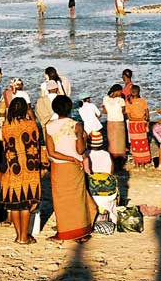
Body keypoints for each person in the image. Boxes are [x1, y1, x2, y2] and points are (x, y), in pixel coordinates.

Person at [45, 95, 97, 243]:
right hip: (75, 167)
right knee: (78, 198)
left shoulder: (48, 126)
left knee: (61, 200)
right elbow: (80, 150)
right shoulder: (76, 125)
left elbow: (51, 152)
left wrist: (69, 158)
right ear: (69, 109)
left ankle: (64, 230)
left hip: (58, 167)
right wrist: (82, 140)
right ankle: (82, 231)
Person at [1, 97, 42, 245]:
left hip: (13, 166)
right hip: (29, 168)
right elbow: (37, 138)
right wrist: (31, 114)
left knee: (15, 203)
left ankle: (19, 235)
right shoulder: (30, 125)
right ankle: (24, 237)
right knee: (26, 203)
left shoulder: (6, 126)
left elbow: (5, 144)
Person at [87, 132, 119, 224]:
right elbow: (111, 173)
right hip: (107, 192)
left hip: (92, 192)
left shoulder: (86, 155)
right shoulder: (106, 154)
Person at [125, 85, 151, 169]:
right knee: (143, 144)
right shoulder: (142, 101)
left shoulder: (129, 102)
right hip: (140, 124)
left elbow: (130, 117)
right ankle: (142, 164)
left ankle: (137, 164)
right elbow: (147, 112)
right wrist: (145, 120)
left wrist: (144, 119)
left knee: (135, 145)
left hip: (134, 125)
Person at [103, 84, 127, 168]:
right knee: (120, 142)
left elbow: (105, 111)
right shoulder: (121, 100)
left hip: (110, 121)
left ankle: (112, 159)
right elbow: (123, 111)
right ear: (117, 91)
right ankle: (120, 161)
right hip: (119, 121)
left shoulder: (105, 99)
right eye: (121, 91)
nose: (121, 93)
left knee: (112, 141)